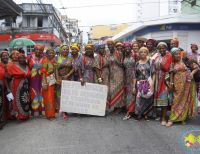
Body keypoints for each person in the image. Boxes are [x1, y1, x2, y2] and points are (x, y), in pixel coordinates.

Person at [166, 48, 197, 127]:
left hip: (187, 83)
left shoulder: (185, 60)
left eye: (179, 53)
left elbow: (196, 67)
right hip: (177, 83)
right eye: (176, 54)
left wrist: (192, 73)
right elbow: (171, 74)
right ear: (173, 55)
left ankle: (181, 118)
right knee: (176, 100)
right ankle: (172, 119)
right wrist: (171, 83)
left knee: (185, 100)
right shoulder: (172, 63)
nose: (178, 55)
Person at [7, 53, 31, 120]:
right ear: (18, 59)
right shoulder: (13, 66)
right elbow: (8, 76)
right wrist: (9, 86)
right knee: (18, 99)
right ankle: (20, 116)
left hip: (26, 86)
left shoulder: (27, 66)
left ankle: (26, 114)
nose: (22, 59)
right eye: (20, 58)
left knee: (25, 99)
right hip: (17, 85)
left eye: (23, 58)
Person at [154, 42, 172, 126]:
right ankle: (161, 116)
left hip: (165, 79)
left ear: (166, 48)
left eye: (163, 48)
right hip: (157, 79)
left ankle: (164, 117)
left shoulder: (169, 56)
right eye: (160, 48)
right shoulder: (157, 56)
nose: (161, 49)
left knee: (164, 97)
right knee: (160, 99)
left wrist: (160, 64)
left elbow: (166, 68)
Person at [134, 47, 155, 120]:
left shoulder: (150, 61)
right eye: (141, 52)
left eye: (144, 52)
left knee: (148, 99)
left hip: (148, 82)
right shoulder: (137, 63)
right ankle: (139, 114)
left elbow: (153, 73)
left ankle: (147, 114)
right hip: (140, 83)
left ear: (147, 53)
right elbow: (135, 76)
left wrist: (152, 84)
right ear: (139, 54)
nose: (143, 53)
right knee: (139, 99)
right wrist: (134, 87)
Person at [106, 39, 125, 113]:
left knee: (119, 89)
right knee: (112, 91)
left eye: (111, 45)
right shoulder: (107, 54)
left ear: (114, 45)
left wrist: (117, 61)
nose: (110, 46)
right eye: (108, 45)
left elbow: (122, 64)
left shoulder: (119, 53)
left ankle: (119, 107)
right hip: (111, 74)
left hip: (119, 74)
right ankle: (115, 106)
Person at [56, 44, 74, 120]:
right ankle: (63, 111)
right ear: (60, 50)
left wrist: (68, 75)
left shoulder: (71, 58)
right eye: (64, 49)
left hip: (68, 78)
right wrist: (57, 78)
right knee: (60, 95)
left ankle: (66, 110)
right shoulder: (57, 58)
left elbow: (73, 68)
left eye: (67, 49)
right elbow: (55, 69)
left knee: (67, 95)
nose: (65, 51)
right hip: (60, 78)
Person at [28, 44, 45, 117]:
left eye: (40, 50)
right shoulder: (29, 58)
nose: (38, 51)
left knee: (41, 93)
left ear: (42, 51)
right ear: (34, 50)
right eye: (37, 49)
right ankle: (32, 111)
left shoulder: (44, 58)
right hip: (32, 79)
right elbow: (27, 67)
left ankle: (41, 111)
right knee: (33, 93)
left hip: (41, 78)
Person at [41, 48, 57, 120]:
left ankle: (52, 113)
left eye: (52, 53)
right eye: (50, 53)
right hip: (47, 81)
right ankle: (49, 115)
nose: (51, 54)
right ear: (46, 54)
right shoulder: (45, 60)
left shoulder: (53, 60)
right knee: (48, 98)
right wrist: (44, 83)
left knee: (52, 98)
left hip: (52, 81)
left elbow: (55, 71)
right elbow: (43, 72)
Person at [123, 42, 136, 120]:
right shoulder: (124, 56)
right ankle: (130, 110)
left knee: (132, 94)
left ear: (131, 48)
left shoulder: (135, 55)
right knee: (128, 95)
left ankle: (129, 112)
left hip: (134, 75)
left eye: (128, 47)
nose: (127, 49)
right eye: (125, 47)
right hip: (127, 77)